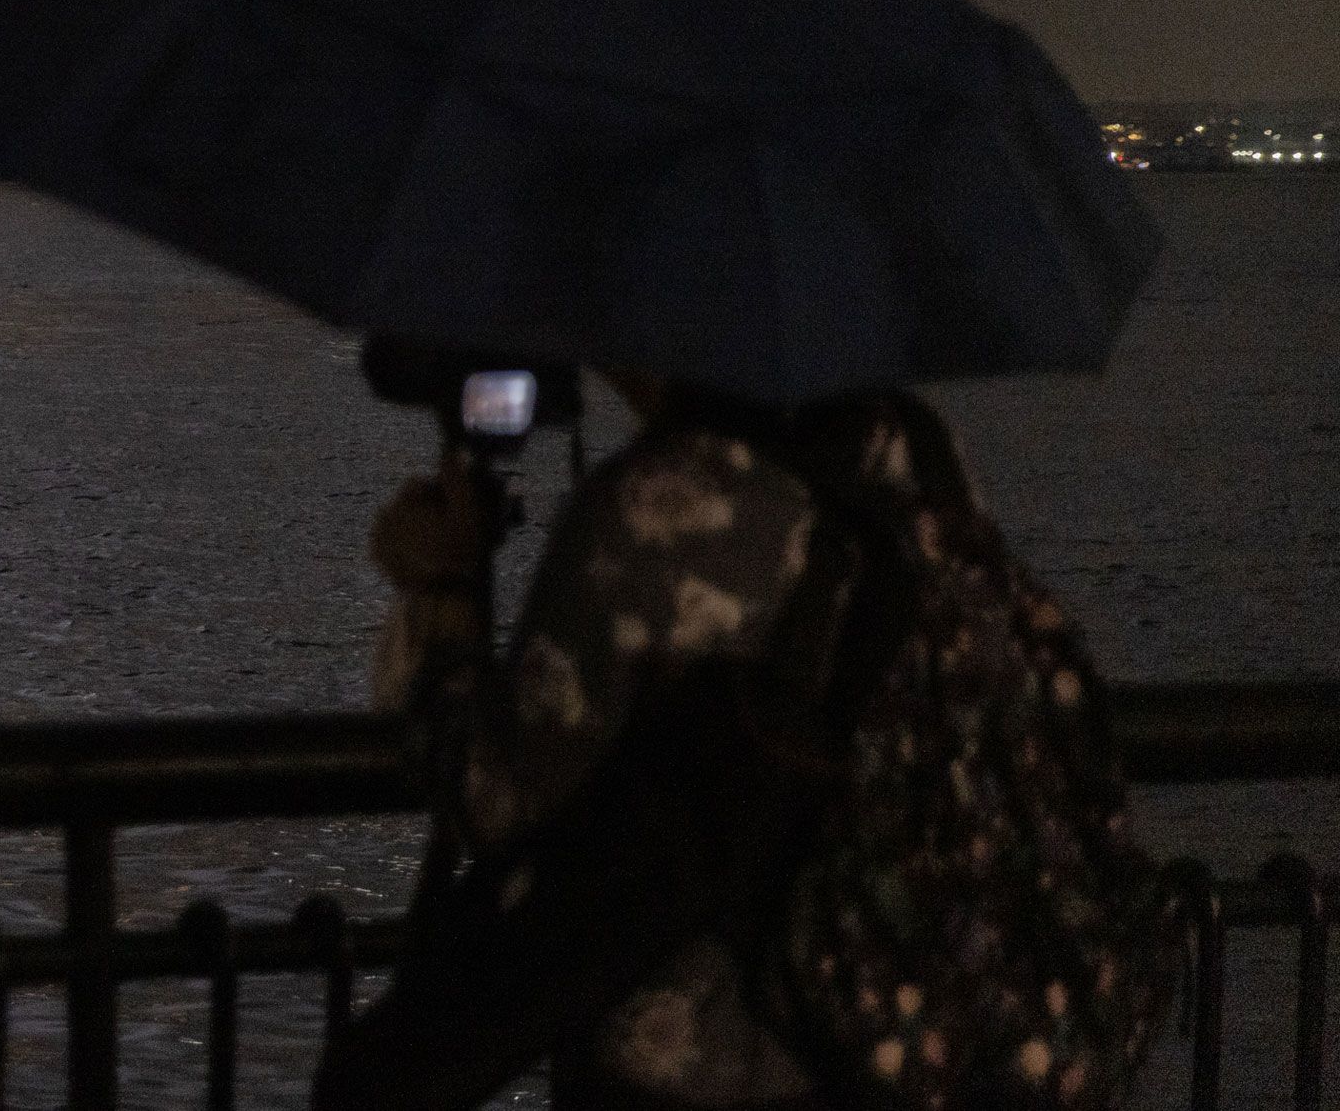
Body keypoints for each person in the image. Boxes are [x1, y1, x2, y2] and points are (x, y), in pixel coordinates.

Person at [350, 370, 1161, 1111]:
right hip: (901, 1031)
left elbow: (499, 800)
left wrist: (446, 593)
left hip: (704, 1059)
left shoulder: (653, 504)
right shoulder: (915, 448)